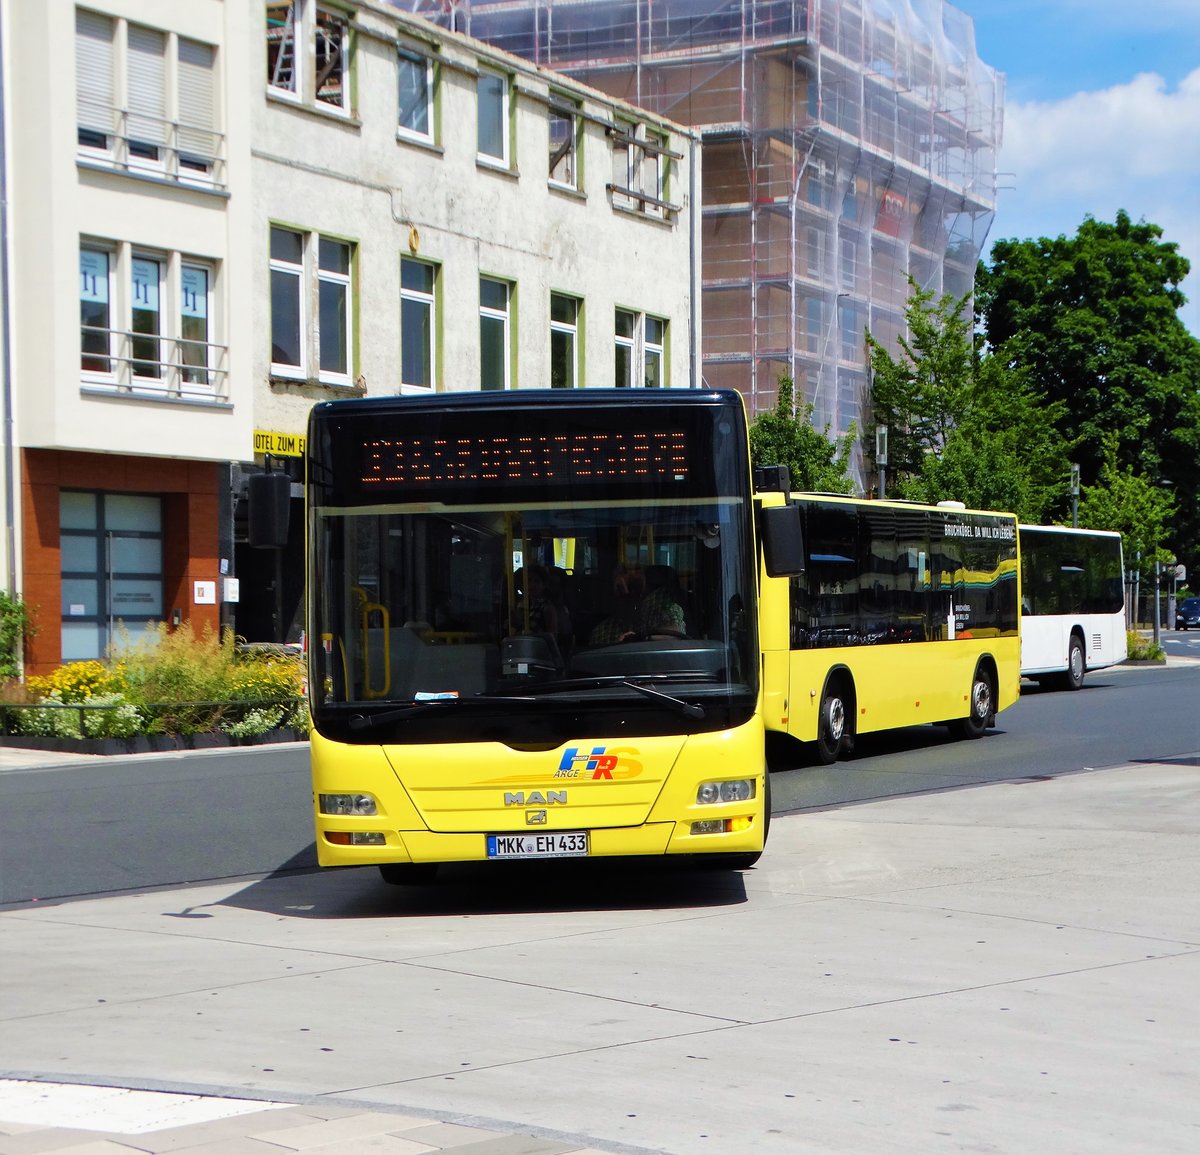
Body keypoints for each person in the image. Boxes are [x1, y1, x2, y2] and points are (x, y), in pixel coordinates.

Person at [588, 564, 644, 645]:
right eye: (621, 590)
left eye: (635, 589)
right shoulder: (602, 633)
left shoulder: (655, 628)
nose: (628, 600)